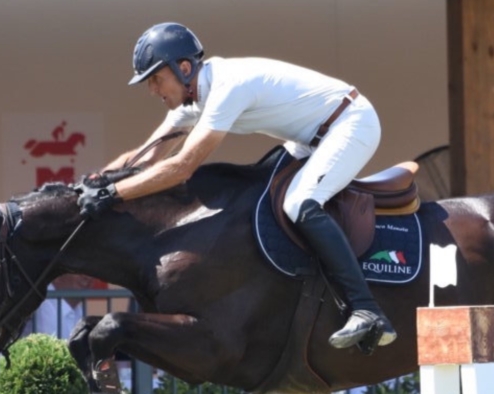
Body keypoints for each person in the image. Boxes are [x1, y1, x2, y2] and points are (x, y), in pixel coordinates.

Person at [77, 22, 396, 350]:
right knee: (263, 194)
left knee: (298, 203)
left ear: (183, 68)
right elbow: (145, 157)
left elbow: (182, 168)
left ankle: (367, 310)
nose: (153, 90)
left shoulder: (228, 87)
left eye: (156, 79)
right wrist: (92, 184)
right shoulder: (193, 98)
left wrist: (113, 193)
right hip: (309, 137)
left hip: (351, 123)